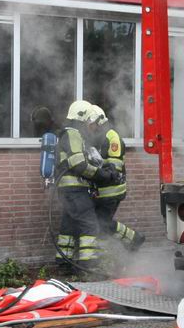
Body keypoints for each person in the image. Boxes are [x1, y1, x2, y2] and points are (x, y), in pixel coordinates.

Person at [55, 100, 121, 272]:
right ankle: (88, 266)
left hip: (68, 190)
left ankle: (64, 264)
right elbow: (79, 165)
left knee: (68, 226)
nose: (92, 126)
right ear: (83, 118)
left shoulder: (70, 134)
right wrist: (104, 175)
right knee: (90, 224)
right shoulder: (73, 134)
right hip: (75, 189)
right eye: (90, 122)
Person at [84, 105, 145, 252]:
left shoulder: (112, 137)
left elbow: (114, 168)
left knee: (101, 224)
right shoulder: (95, 137)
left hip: (112, 191)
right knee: (99, 224)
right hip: (100, 191)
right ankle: (131, 240)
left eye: (91, 123)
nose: (89, 127)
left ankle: (132, 239)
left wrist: (95, 167)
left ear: (99, 121)